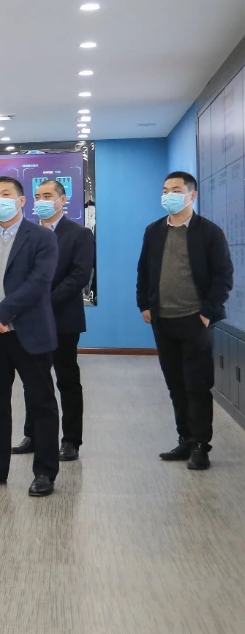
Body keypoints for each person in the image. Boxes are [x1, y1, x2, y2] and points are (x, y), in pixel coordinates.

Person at [0, 176, 61, 497]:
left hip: (29, 333)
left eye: (5, 194)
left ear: (21, 201)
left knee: (41, 403)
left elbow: (39, 282)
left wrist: (1, 313)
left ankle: (44, 472)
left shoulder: (42, 237)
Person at [137, 171, 233, 471]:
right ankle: (185, 439)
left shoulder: (209, 232)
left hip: (195, 320)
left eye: (176, 190)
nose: (169, 195)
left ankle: (201, 445)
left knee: (197, 385)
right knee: (176, 384)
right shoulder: (154, 231)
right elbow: (144, 271)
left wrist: (207, 312)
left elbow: (223, 276)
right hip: (162, 320)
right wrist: (144, 304)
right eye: (166, 189)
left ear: (192, 195)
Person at [12, 180, 96, 461]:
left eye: (47, 195)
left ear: (63, 200)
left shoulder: (79, 234)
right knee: (33, 380)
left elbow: (80, 275)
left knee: (66, 380)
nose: (41, 201)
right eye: (37, 196)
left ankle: (71, 440)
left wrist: (45, 301)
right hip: (29, 321)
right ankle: (33, 434)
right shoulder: (27, 233)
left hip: (63, 319)